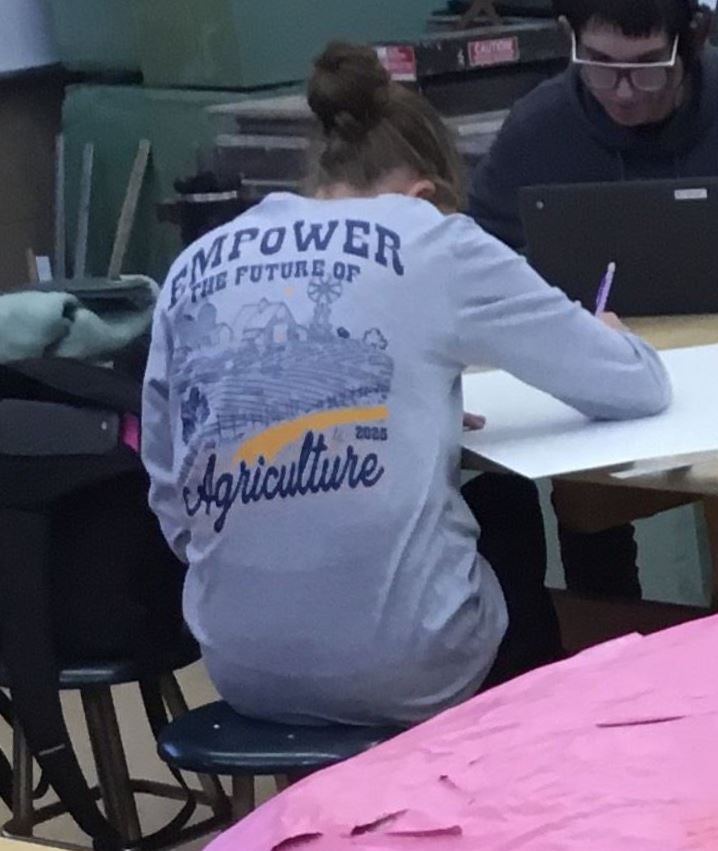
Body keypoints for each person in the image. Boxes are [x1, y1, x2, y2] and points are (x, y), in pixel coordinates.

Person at [140, 44, 669, 728]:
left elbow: (172, 495)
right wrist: (612, 334)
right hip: (408, 672)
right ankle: (527, 748)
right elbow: (634, 385)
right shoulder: (432, 239)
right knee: (504, 503)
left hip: (241, 668)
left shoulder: (195, 263)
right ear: (426, 195)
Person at [469, 0, 718, 304]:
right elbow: (470, 264)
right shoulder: (538, 125)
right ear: (568, 37)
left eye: (648, 66)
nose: (623, 92)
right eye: (600, 64)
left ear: (695, 39)